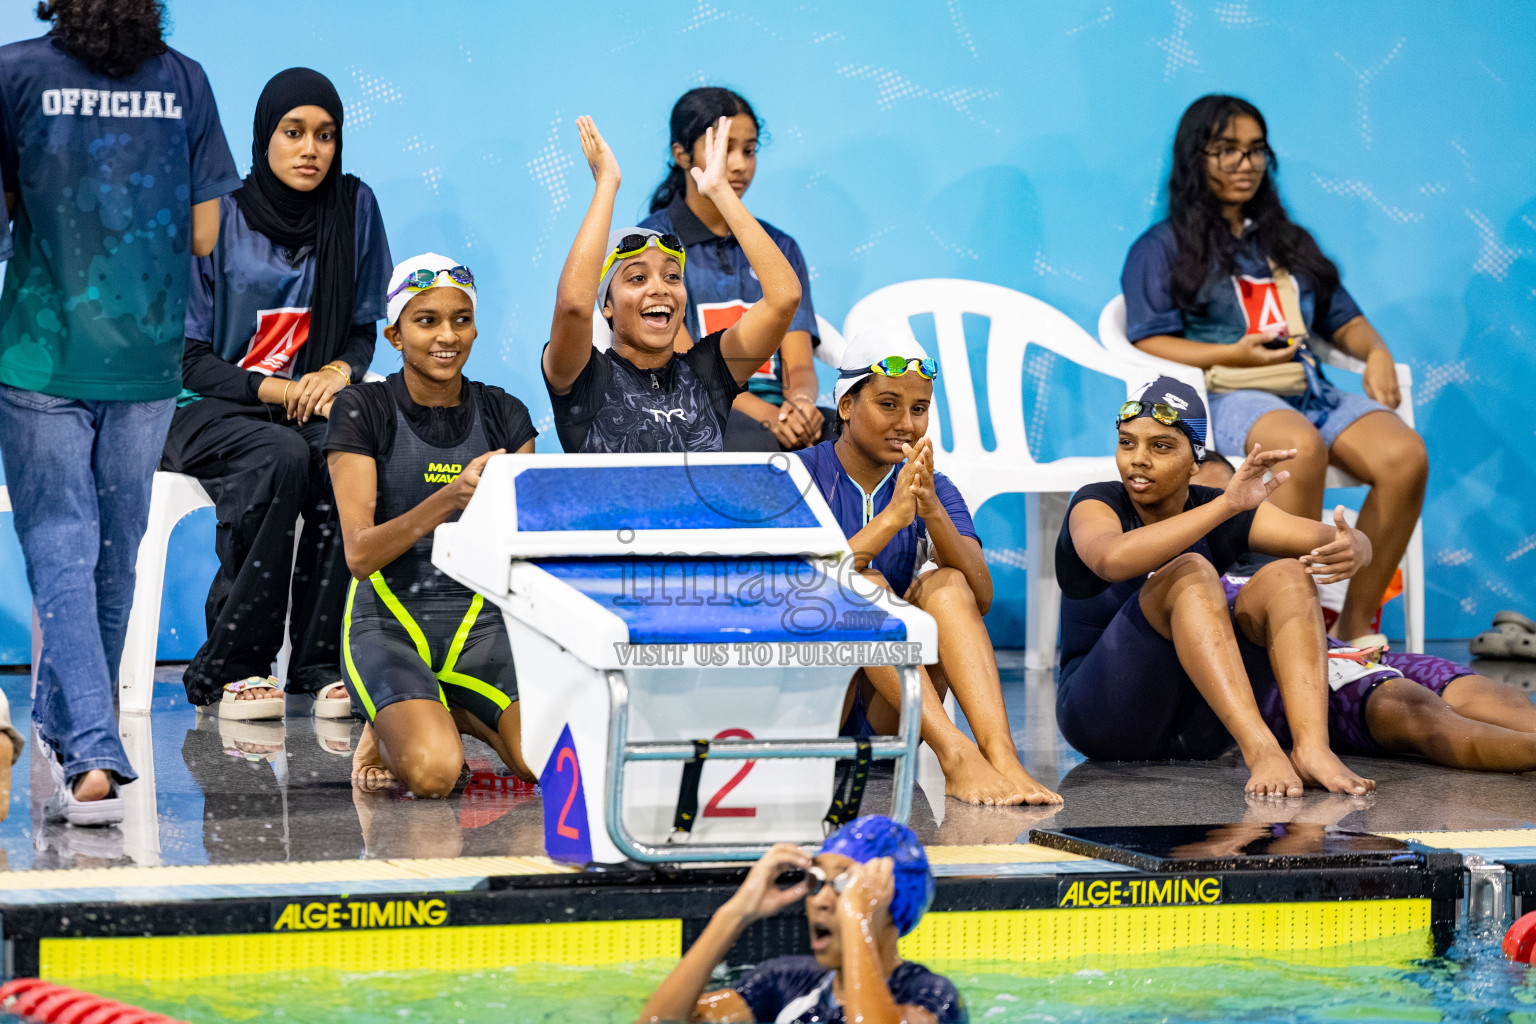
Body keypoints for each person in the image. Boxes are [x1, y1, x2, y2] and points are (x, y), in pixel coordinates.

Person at [0, 0, 240, 824]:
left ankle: (87, 748)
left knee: (59, 548)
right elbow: (206, 236)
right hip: (144, 354)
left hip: (40, 347)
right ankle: (85, 750)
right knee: (112, 553)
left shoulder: (15, 72)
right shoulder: (185, 82)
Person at [1121, 94, 1427, 647]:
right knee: (1298, 447)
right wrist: (1233, 354)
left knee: (1405, 456)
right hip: (1230, 392)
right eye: (1227, 150)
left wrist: (1376, 351)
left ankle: (1355, 624)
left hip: (1311, 388)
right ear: (1196, 158)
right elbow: (1147, 336)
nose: (1246, 164)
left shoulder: (1286, 240)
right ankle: (1295, 628)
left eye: (1256, 150)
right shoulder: (1162, 247)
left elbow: (1343, 318)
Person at [160, 67, 392, 720]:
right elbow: (184, 357)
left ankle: (318, 661)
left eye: (325, 134)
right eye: (294, 132)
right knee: (280, 455)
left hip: (295, 406)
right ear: (265, 136)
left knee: (345, 450)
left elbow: (360, 330)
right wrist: (274, 388)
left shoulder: (353, 207)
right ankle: (234, 665)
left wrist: (339, 373)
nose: (310, 149)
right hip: (197, 408)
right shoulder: (217, 215)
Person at [1056, 375, 1378, 798]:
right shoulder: (1097, 501)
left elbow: (1330, 538)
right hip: (1104, 718)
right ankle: (1262, 749)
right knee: (1190, 570)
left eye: (1162, 446)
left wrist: (1358, 546)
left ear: (1195, 461)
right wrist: (1225, 506)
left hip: (1200, 732)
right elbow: (1112, 559)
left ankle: (1311, 749)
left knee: (1288, 575)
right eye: (1127, 443)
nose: (1138, 459)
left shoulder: (1216, 505)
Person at [797, 325, 1059, 807]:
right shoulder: (798, 475)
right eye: (889, 404)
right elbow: (800, 590)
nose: (907, 423)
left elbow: (980, 595)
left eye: (919, 409)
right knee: (864, 581)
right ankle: (953, 753)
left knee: (948, 582)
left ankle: (999, 753)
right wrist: (895, 517)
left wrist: (931, 510)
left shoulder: (932, 485)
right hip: (809, 706)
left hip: (888, 713)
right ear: (847, 406)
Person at [326, 253, 537, 798]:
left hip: (480, 630)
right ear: (395, 335)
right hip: (388, 623)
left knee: (549, 763)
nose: (448, 336)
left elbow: (519, 547)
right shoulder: (361, 408)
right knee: (435, 775)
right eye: (427, 321)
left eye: (460, 319)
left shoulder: (505, 415)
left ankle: (457, 712)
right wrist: (451, 497)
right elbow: (360, 555)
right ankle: (395, 719)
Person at [1191, 456, 1536, 772]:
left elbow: (1348, 541)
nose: (1222, 509)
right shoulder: (1179, 566)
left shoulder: (1258, 544)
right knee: (1419, 712)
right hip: (1284, 683)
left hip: (1341, 652)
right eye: (1207, 501)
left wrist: (1356, 546)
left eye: (1227, 497)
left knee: (1491, 696)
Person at [544, 115, 800, 453]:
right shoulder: (585, 379)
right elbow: (573, 306)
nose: (660, 288)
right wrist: (607, 183)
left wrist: (721, 193)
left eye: (672, 276)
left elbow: (784, 298)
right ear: (607, 304)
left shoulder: (707, 374)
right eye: (637, 277)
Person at [639, 87, 827, 452]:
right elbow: (685, 369)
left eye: (749, 149)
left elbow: (799, 365)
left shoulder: (779, 246)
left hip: (779, 416)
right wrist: (768, 416)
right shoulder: (653, 243)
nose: (740, 164)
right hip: (695, 411)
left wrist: (801, 404)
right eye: (723, 149)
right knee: (749, 436)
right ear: (681, 154)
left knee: (851, 437)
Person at [639, 815, 965, 1024]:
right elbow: (660, 1021)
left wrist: (856, 918)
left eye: (844, 885)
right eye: (816, 881)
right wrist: (734, 914)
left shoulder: (930, 997)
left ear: (893, 899)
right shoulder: (786, 983)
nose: (821, 900)